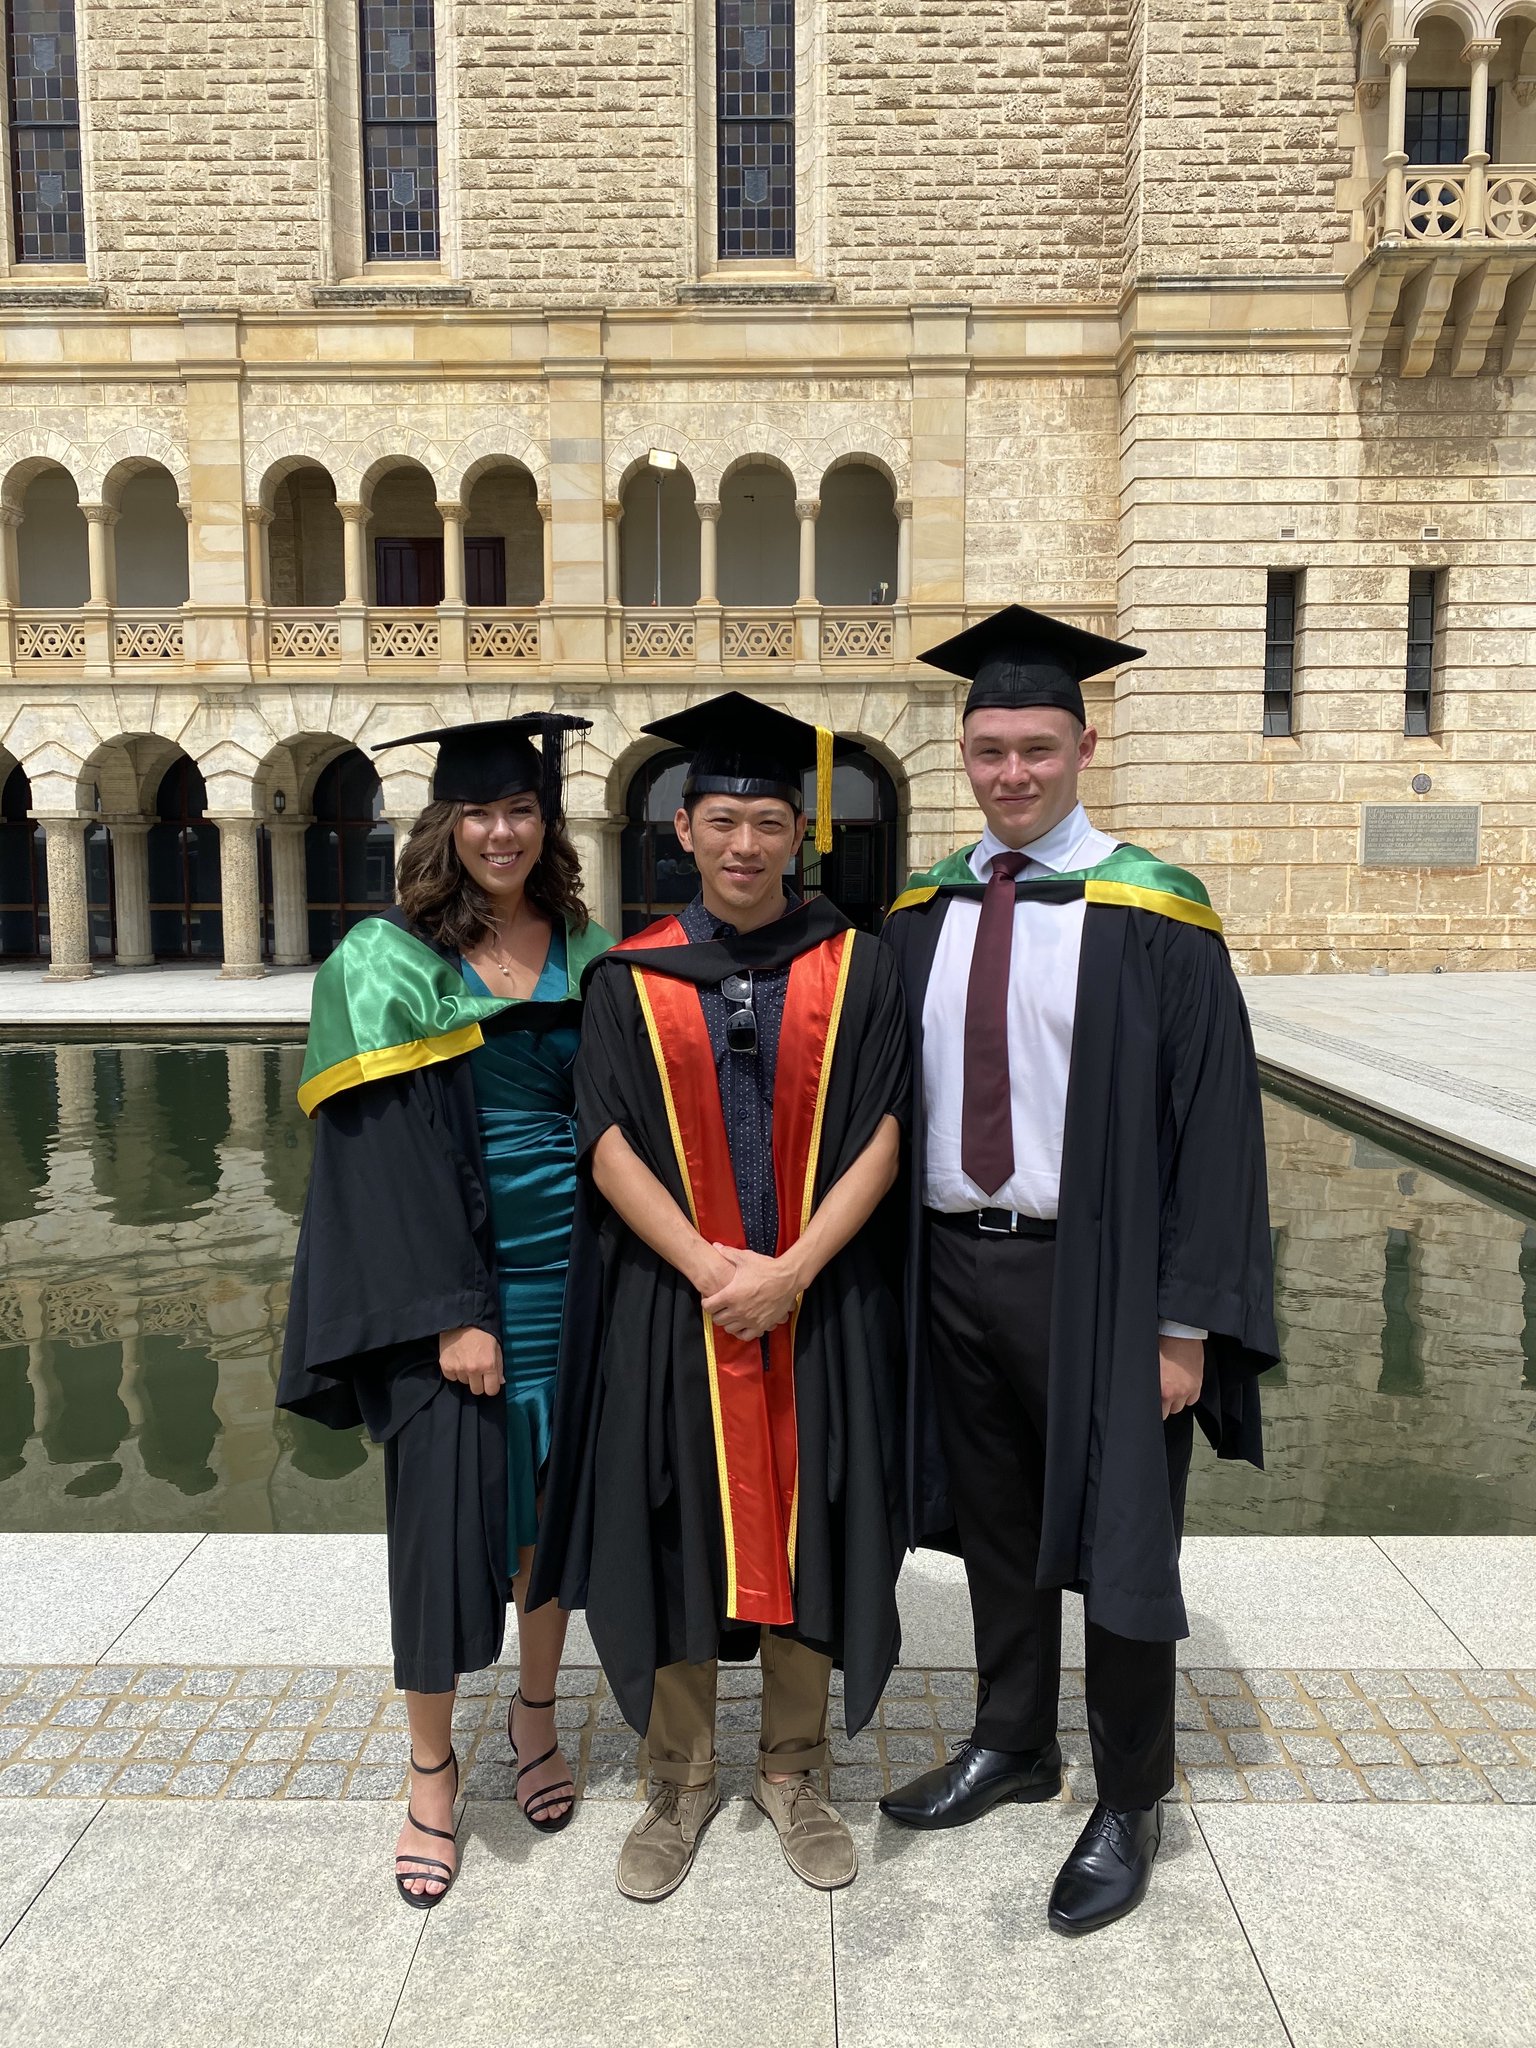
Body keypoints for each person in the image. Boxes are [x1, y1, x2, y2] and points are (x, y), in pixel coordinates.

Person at [879, 606, 1277, 1936]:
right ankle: (1012, 1739)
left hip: (1101, 1283)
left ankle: (1129, 1796)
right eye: (990, 750)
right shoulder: (923, 912)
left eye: (1037, 748)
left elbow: (1215, 1131)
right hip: (952, 1265)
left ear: (1084, 746)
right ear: (964, 751)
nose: (1013, 773)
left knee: (1121, 1540)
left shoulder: (1156, 912)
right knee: (995, 1522)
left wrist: (1186, 1324)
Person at [530, 693, 910, 1904]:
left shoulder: (859, 964)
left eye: (769, 822)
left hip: (817, 1300)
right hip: (676, 1308)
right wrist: (710, 1268)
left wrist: (791, 1272)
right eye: (723, 821)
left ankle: (794, 1768)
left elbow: (886, 1130)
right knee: (674, 1523)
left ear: (799, 832)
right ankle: (679, 1776)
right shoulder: (628, 976)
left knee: (815, 1519)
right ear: (684, 828)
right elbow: (603, 1138)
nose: (746, 844)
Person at [278, 713, 613, 1907]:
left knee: (548, 1523)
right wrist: (452, 1313)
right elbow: (377, 1160)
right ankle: (431, 1767)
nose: (501, 831)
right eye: (479, 811)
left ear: (546, 822)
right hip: (454, 1291)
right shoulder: (387, 960)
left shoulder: (584, 943)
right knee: (435, 1533)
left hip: (574, 1275)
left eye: (520, 809)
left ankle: (535, 1717)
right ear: (444, 824)